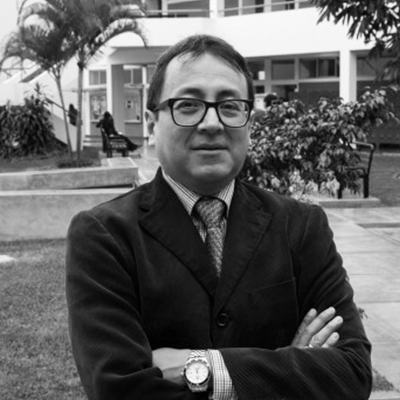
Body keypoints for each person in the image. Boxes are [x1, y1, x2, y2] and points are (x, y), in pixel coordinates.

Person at [66, 35, 372, 400]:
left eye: (230, 106)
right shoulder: (106, 235)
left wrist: (204, 367)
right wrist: (290, 369)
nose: (212, 123)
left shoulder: (301, 227)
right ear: (152, 122)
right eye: (188, 105)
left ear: (248, 123)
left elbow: (351, 372)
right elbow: (119, 390)